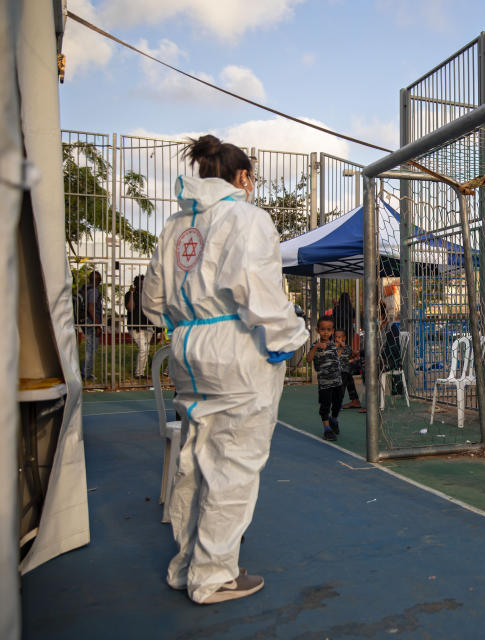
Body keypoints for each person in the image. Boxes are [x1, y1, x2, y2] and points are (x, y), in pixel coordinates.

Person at [142, 134, 308, 605]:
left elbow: (153, 299)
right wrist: (290, 340)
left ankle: (186, 564)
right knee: (232, 462)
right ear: (242, 177)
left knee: (193, 457)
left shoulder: (176, 225)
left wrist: (185, 326)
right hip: (236, 349)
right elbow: (258, 292)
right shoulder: (247, 217)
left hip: (187, 347)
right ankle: (213, 575)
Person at [307, 318, 343, 441]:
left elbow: (335, 357)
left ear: (332, 331)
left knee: (338, 403)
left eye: (328, 330)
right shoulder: (315, 345)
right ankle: (327, 429)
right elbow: (308, 359)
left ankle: (334, 419)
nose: (326, 332)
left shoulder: (333, 345)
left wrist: (341, 349)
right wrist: (315, 347)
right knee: (325, 405)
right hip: (324, 383)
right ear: (317, 330)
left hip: (337, 381)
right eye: (323, 330)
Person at [332, 293, 361, 408]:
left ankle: (340, 400)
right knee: (346, 371)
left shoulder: (337, 309)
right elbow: (353, 320)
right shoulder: (351, 309)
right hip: (348, 336)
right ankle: (354, 399)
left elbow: (333, 319)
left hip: (340, 336)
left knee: (345, 371)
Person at [125, 275, 153, 380]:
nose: (143, 285)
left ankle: (141, 372)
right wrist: (132, 293)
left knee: (146, 349)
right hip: (136, 326)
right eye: (141, 282)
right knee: (143, 348)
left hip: (148, 326)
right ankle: (138, 373)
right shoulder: (130, 294)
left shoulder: (148, 295)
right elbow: (130, 308)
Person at [81, 271, 103, 380]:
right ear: (98, 281)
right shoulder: (94, 291)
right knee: (91, 348)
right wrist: (97, 325)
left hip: (84, 321)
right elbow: (91, 307)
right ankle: (86, 373)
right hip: (91, 321)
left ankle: (85, 371)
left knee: (89, 348)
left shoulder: (84, 289)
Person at [334, 329, 362, 411]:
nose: (338, 339)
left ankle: (352, 400)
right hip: (337, 370)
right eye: (336, 337)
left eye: (340, 337)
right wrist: (339, 348)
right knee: (346, 380)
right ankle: (351, 400)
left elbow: (353, 355)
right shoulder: (333, 347)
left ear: (344, 338)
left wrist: (354, 356)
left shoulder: (347, 347)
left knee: (347, 379)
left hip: (345, 370)